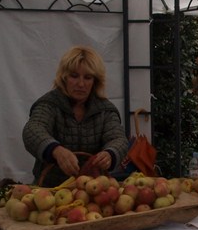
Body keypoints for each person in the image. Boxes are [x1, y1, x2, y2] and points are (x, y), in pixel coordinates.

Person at [22, 46, 129, 187]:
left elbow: (118, 138)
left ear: (95, 81)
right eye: (74, 76)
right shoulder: (49, 103)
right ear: (64, 77)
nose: (81, 84)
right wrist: (56, 150)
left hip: (93, 190)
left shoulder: (105, 109)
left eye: (87, 77)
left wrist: (110, 154)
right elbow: (33, 130)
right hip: (49, 191)